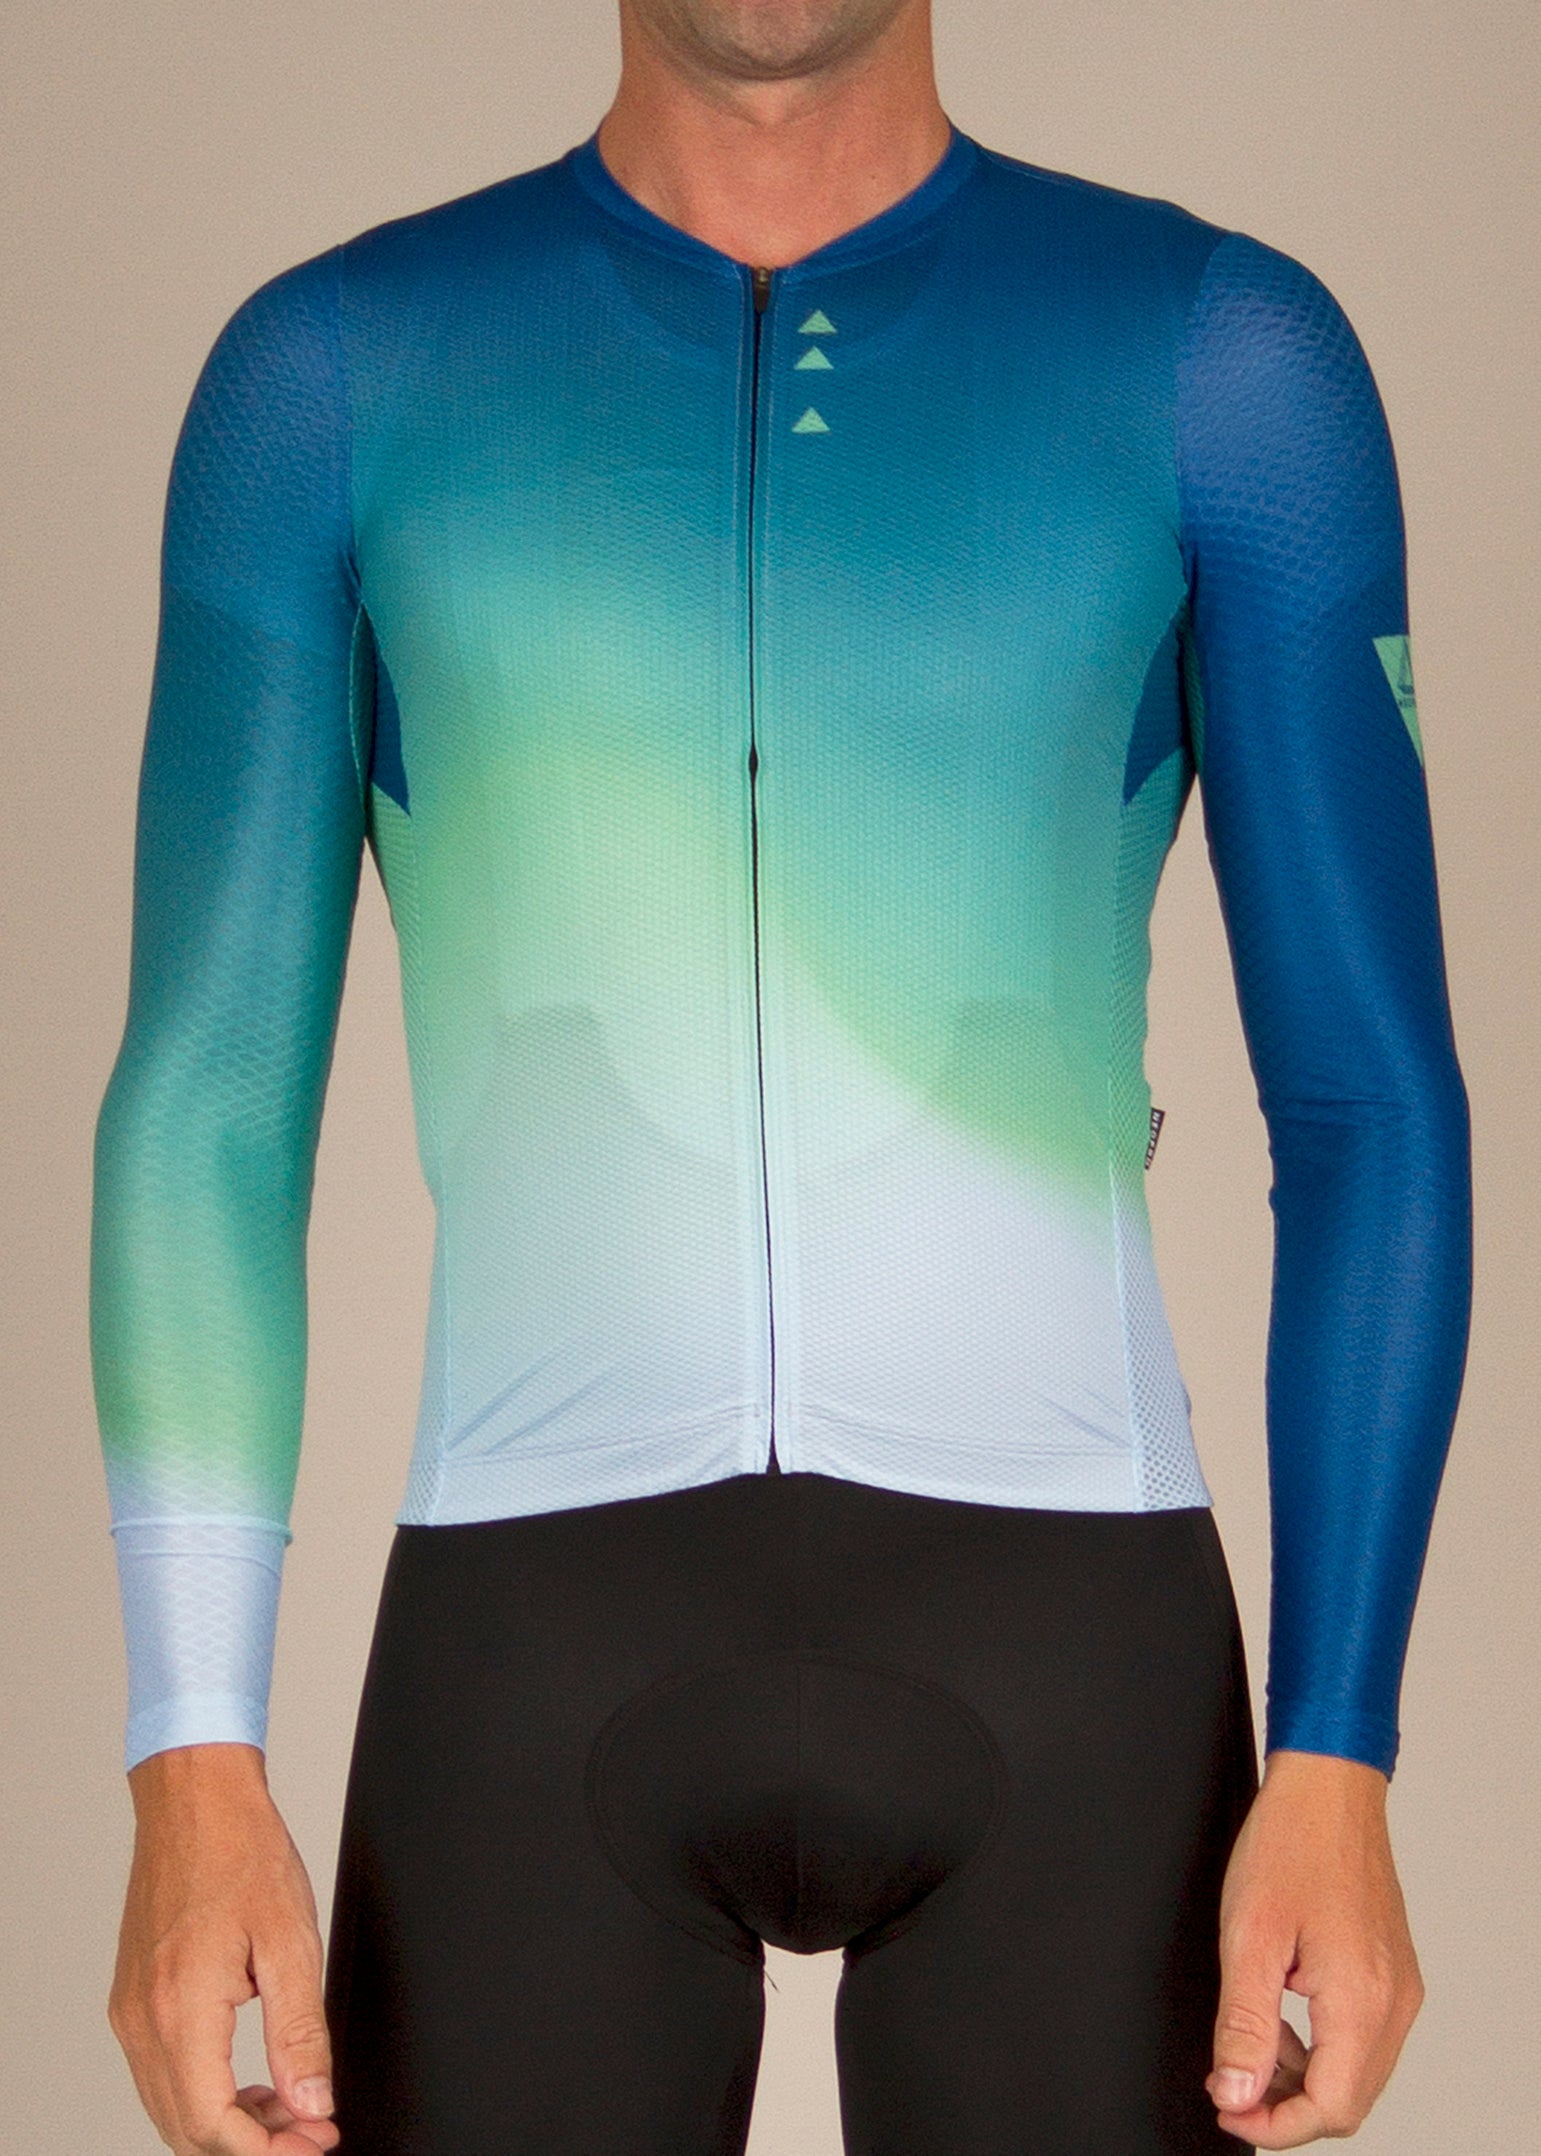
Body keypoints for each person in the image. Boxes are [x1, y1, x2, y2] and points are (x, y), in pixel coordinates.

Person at [91, 1, 1472, 2150]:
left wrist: (1341, 1750)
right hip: (531, 1659)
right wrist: (191, 1758)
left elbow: (1370, 1101)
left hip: (1073, 1658)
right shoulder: (334, 376)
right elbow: (207, 1106)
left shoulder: (1219, 357)